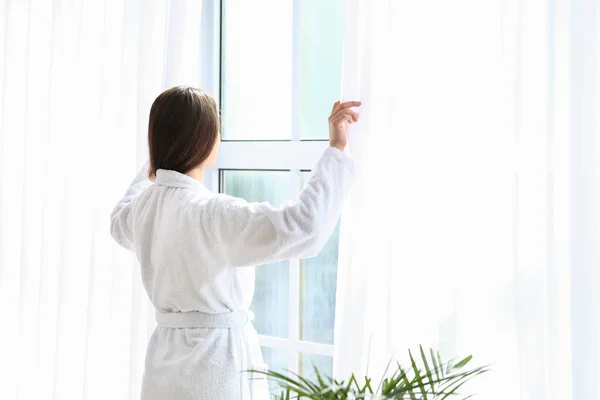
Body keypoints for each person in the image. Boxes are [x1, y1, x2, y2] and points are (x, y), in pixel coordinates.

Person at [110, 86, 360, 400]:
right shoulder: (212, 215)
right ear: (205, 141)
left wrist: (156, 163)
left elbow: (120, 216)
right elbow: (304, 226)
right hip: (215, 372)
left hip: (163, 371)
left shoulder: (142, 211)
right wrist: (337, 148)